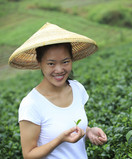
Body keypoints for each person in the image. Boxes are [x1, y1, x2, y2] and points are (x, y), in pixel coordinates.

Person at [8, 22, 107, 159]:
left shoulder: (77, 89)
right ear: (39, 63)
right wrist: (59, 140)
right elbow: (29, 154)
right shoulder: (31, 104)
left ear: (72, 60)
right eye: (51, 63)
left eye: (65, 62)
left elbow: (68, 123)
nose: (59, 69)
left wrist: (89, 131)